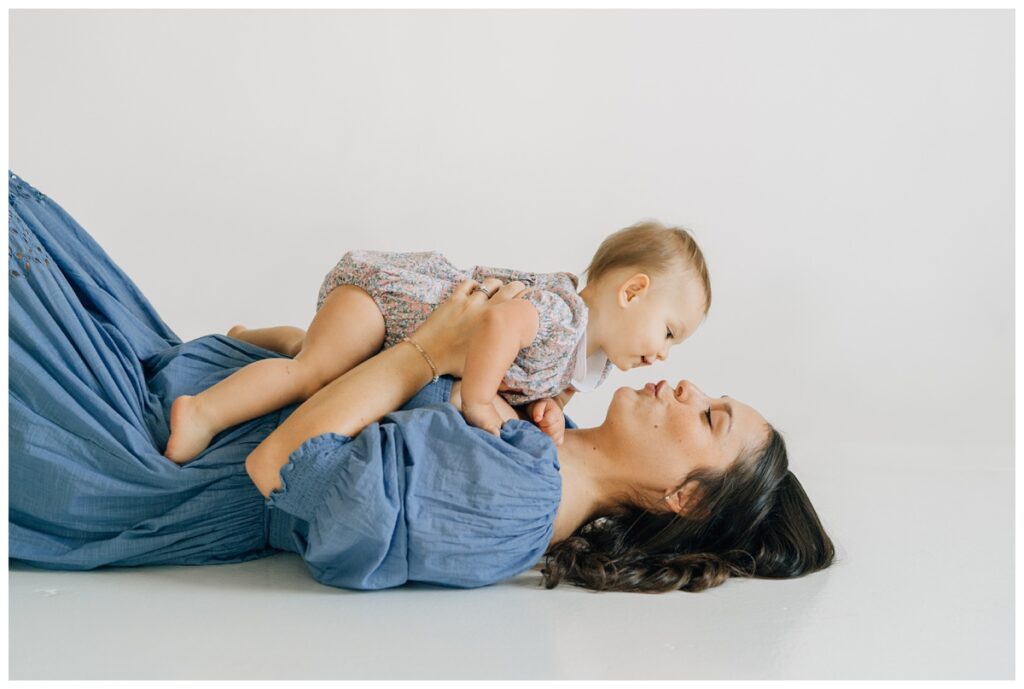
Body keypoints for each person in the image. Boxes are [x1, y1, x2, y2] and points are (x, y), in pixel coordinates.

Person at [8, 171, 836, 593]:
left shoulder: (514, 505)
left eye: (713, 417)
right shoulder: (534, 431)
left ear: (684, 497)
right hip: (159, 375)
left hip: (136, 441)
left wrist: (429, 352)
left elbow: (281, 466)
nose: (686, 386)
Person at [162, 220, 713, 463]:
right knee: (314, 375)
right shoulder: (562, 315)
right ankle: (203, 412)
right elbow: (499, 326)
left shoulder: (592, 364)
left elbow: (538, 389)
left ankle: (252, 337)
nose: (664, 354)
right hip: (388, 302)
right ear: (633, 291)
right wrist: (478, 399)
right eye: (669, 332)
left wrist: (546, 410)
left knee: (324, 352)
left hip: (395, 341)